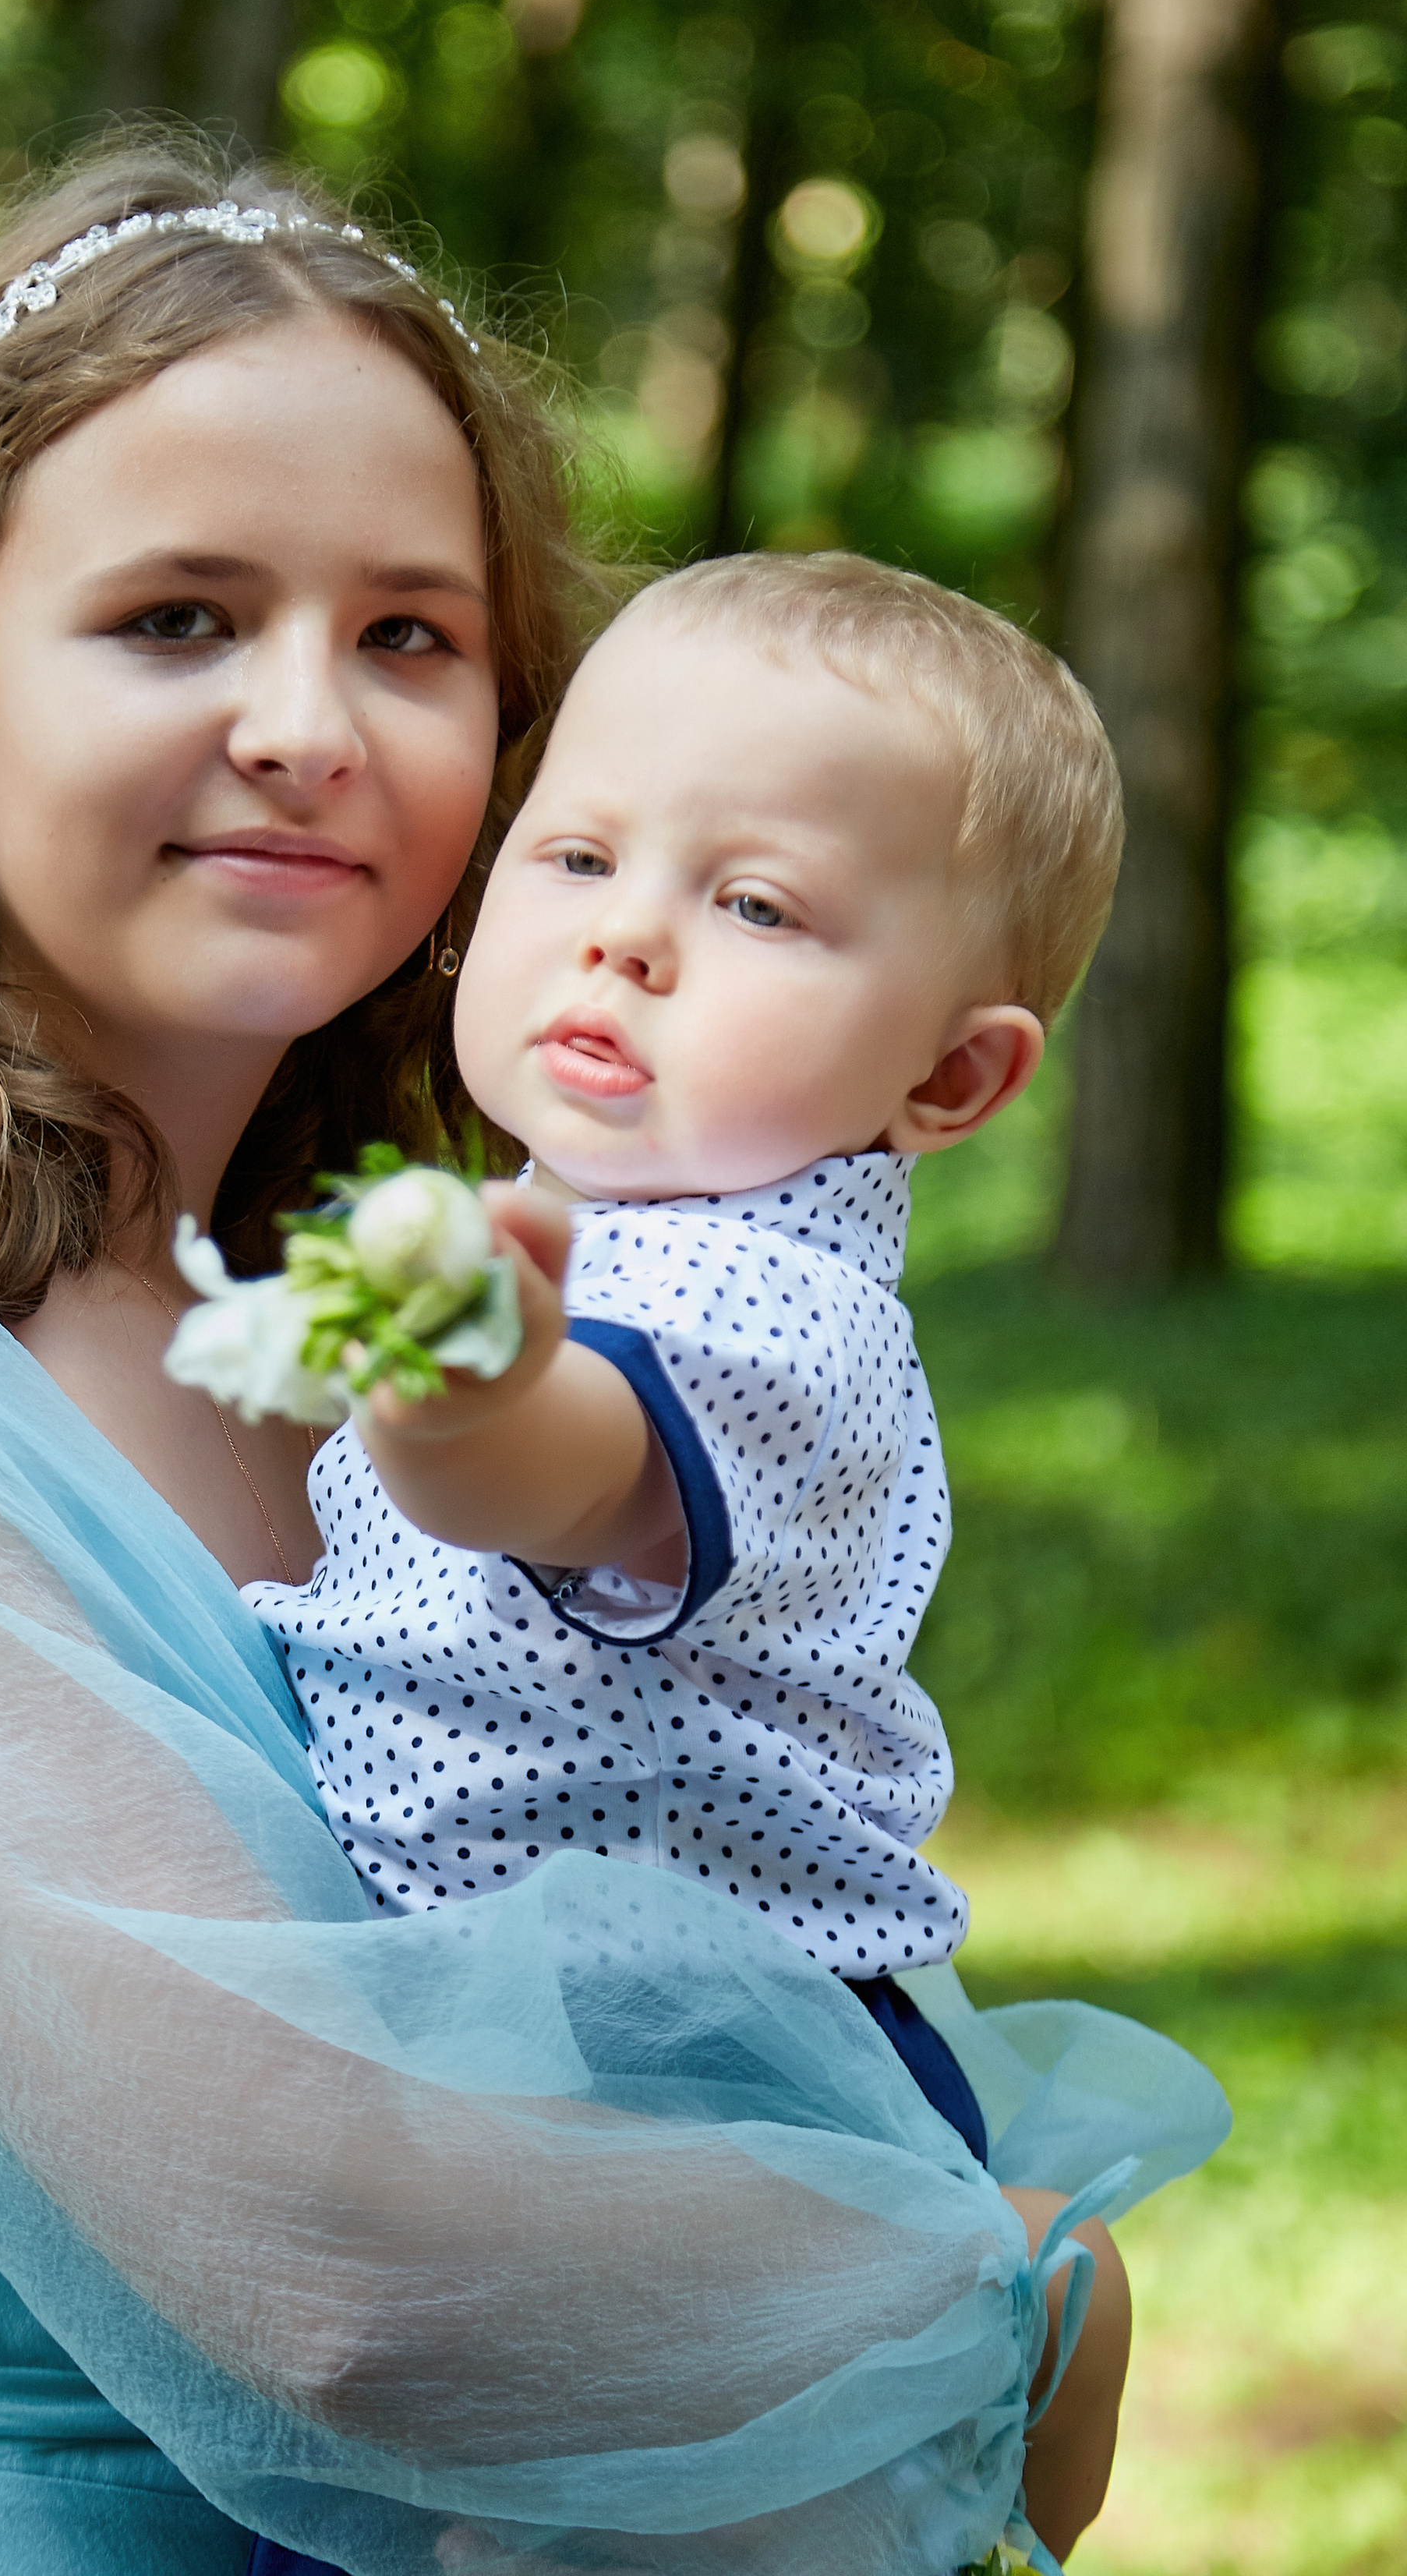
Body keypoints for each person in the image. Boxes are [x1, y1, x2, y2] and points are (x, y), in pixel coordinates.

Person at [0, 144, 1225, 2576]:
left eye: (414, 638)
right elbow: (353, 2286)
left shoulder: (402, 1330)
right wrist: (1013, 2297)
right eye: (179, 617)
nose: (308, 725)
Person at [237, 553, 1160, 2558]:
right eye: (573, 856)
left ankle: (1000, 2299)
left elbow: (557, 1472)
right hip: (542, 1988)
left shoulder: (767, 1318)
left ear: (948, 1079)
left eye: (752, 907)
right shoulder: (602, 1217)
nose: (625, 943)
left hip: (683, 2060)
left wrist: (460, 1379)